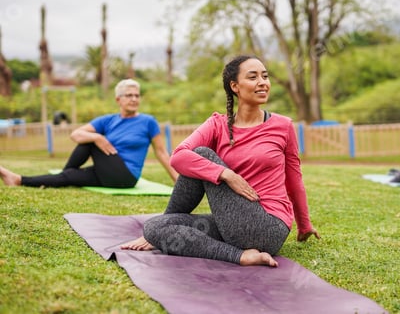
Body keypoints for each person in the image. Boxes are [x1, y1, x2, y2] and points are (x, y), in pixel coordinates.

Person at [121, 55, 320, 267]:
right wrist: (226, 174)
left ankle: (242, 252)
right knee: (154, 228)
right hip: (232, 223)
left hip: (268, 226)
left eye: (265, 76)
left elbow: (294, 180)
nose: (262, 82)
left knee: (202, 154)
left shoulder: (283, 126)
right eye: (253, 77)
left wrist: (304, 225)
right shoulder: (218, 124)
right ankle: (240, 255)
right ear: (235, 86)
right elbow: (178, 156)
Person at [0, 79, 178, 188]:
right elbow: (76, 134)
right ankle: (18, 179)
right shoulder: (107, 120)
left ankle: (61, 174)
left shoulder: (148, 122)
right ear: (118, 99)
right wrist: (98, 137)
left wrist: (178, 182)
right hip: (107, 172)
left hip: (126, 176)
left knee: (89, 143)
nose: (134, 99)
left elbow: (161, 153)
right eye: (129, 95)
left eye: (137, 95)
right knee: (71, 176)